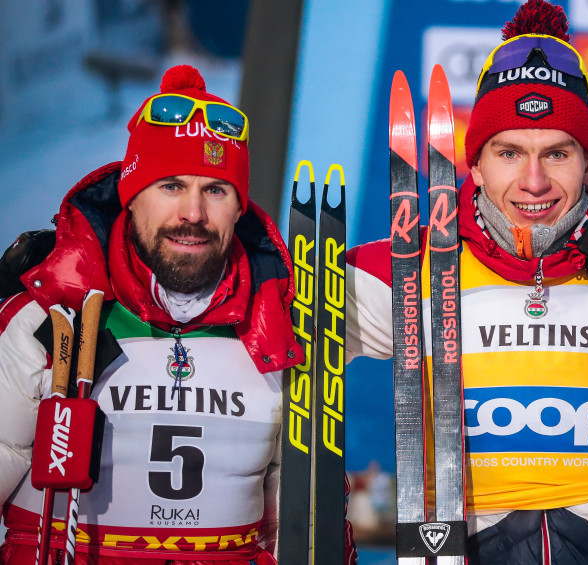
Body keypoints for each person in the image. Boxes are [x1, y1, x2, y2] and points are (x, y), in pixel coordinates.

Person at [345, 1, 588, 563]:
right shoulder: (407, 269)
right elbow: (251, 326)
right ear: (475, 164)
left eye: (557, 153)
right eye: (509, 152)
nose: (534, 181)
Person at [0, 65, 354, 564]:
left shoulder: (279, 324)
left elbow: (299, 525)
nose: (193, 213)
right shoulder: (50, 315)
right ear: (131, 195)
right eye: (170, 185)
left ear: (238, 208)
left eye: (216, 190)